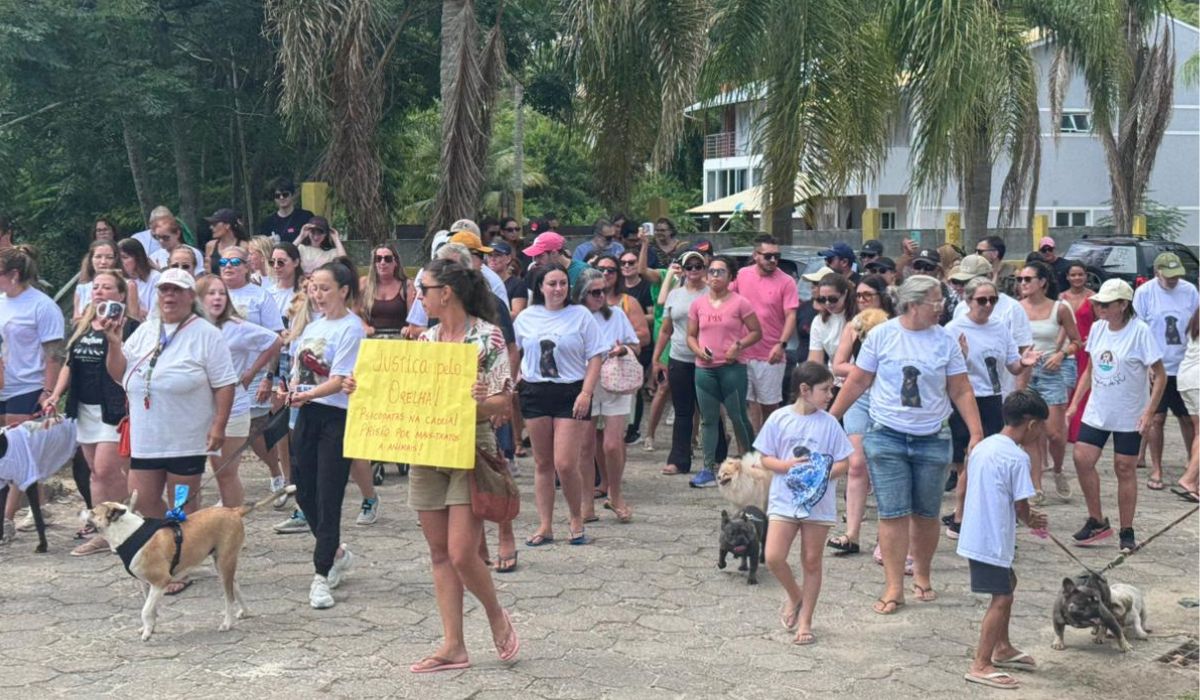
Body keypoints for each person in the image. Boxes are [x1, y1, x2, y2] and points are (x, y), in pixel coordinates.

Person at [385, 258, 517, 671]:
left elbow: (503, 404)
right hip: (427, 448)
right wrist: (366, 387)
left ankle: (496, 614)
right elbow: (405, 397)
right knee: (439, 553)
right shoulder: (425, 343)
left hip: (469, 448)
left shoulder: (488, 337)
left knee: (462, 553)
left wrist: (481, 400)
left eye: (423, 289)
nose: (417, 296)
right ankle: (453, 645)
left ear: (447, 293)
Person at [829, 275, 982, 615]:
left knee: (926, 513)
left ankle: (923, 574)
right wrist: (830, 420)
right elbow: (858, 381)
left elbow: (960, 389)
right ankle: (894, 585)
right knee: (893, 512)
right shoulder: (882, 336)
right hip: (886, 436)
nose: (941, 307)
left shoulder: (945, 341)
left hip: (933, 437)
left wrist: (975, 433)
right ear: (913, 304)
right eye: (936, 301)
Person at [104, 268, 236, 594]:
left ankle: (176, 565)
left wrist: (219, 425)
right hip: (147, 437)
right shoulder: (147, 330)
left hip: (186, 438)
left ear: (191, 297)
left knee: (181, 506)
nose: (169, 297)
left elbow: (225, 384)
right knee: (143, 499)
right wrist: (113, 345)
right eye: (164, 290)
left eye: (177, 291)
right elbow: (120, 374)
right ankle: (172, 550)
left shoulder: (206, 333)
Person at [280, 259, 364, 608]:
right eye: (314, 287)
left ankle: (320, 575)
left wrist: (306, 394)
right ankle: (337, 552)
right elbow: (299, 369)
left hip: (336, 418)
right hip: (306, 416)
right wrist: (289, 391)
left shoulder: (352, 327)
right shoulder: (312, 326)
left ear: (344, 291)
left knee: (329, 496)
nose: (317, 295)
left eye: (325, 288)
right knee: (304, 491)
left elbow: (340, 379)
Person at [958, 390, 1050, 691]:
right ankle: (981, 663)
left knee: (1008, 583)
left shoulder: (983, 446)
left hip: (977, 531)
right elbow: (1022, 506)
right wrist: (1033, 520)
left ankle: (1003, 647)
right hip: (992, 538)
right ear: (1032, 425)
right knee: (1002, 597)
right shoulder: (1018, 457)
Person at [1066, 279, 1166, 553]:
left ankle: (1126, 530)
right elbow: (1090, 370)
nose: (1100, 308)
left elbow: (1160, 376)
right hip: (1099, 409)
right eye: (1098, 303)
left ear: (1123, 305)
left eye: (1106, 304)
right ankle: (1096, 519)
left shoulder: (1140, 332)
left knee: (1124, 467)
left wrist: (1149, 412)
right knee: (1082, 458)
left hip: (1129, 412)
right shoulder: (1098, 329)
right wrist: (1075, 404)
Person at [757, 362, 853, 646]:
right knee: (774, 556)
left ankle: (807, 619)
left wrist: (822, 473)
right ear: (804, 390)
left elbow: (844, 461)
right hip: (784, 500)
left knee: (812, 560)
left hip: (818, 505)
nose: (830, 395)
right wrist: (788, 466)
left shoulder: (830, 423)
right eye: (825, 389)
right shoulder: (779, 418)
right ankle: (795, 596)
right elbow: (764, 457)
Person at [44, 271, 139, 555]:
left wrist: (115, 340)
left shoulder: (131, 326)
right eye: (96, 286)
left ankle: (127, 521)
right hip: (84, 408)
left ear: (121, 294)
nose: (99, 291)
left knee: (110, 469)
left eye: (107, 287)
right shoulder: (85, 322)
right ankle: (105, 531)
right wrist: (56, 394)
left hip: (114, 408)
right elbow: (70, 364)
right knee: (96, 474)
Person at [514, 264, 605, 547]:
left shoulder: (580, 316)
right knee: (542, 463)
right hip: (535, 391)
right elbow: (514, 352)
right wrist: (509, 383)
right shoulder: (526, 317)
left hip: (571, 392)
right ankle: (545, 525)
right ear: (540, 287)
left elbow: (595, 356)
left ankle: (576, 518)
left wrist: (586, 393)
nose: (558, 289)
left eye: (563, 283)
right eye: (552, 283)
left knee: (565, 463)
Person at [942, 278, 1041, 538]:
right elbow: (946, 370)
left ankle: (971, 514)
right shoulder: (954, 328)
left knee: (986, 457)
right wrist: (960, 357)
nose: (987, 305)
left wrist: (1024, 361)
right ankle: (961, 515)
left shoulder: (999, 328)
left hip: (992, 397)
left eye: (993, 300)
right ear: (968, 301)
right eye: (982, 300)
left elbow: (1012, 365)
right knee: (969, 458)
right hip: (966, 398)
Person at [196, 275, 281, 508]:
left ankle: (231, 522)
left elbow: (275, 341)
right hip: (198, 407)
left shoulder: (237, 327)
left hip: (232, 406)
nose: (217, 298)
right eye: (211, 293)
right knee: (195, 473)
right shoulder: (192, 327)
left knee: (225, 471)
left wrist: (252, 371)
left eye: (221, 293)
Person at [0, 246, 66, 536]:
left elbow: (54, 354)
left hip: (29, 384)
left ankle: (6, 518)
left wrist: (48, 390)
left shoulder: (41, 306)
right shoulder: (1, 301)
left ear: (14, 275)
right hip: (4, 382)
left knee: (15, 453)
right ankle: (39, 505)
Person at [828, 274, 895, 555]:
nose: (863, 300)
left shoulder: (894, 327)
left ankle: (886, 537)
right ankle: (852, 534)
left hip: (887, 399)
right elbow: (838, 365)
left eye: (869, 295)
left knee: (883, 467)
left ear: (882, 297)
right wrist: (864, 371)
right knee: (856, 464)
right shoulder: (853, 327)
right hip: (858, 396)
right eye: (860, 296)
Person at [686, 255, 762, 488]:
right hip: (705, 370)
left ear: (731, 277)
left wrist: (738, 345)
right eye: (711, 271)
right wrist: (698, 351)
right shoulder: (698, 304)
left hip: (731, 368)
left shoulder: (740, 303)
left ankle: (752, 464)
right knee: (708, 420)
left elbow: (756, 332)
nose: (714, 276)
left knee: (737, 416)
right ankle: (708, 468)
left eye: (720, 272)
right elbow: (690, 335)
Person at [574, 269, 639, 524]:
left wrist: (622, 349)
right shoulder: (574, 318)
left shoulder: (617, 314)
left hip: (616, 380)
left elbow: (635, 344)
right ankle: (586, 501)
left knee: (612, 444)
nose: (602, 296)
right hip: (585, 384)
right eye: (595, 292)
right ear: (582, 294)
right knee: (586, 445)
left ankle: (616, 493)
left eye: (604, 290)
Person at [1133, 252, 1199, 491]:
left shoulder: (1190, 291)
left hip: (1184, 364)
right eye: (1168, 276)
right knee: (1157, 418)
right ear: (1157, 272)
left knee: (1188, 418)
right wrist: (1146, 362)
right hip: (1157, 364)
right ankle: (1156, 467)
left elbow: (1195, 325)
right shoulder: (1145, 293)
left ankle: (1192, 466)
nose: (1172, 280)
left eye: (1176, 276)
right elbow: (1138, 328)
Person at [1018, 261, 1082, 503]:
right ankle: (1035, 485)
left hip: (1050, 371)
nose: (1023, 283)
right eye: (1020, 280)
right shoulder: (1016, 308)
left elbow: (1077, 341)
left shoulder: (1060, 308)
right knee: (1030, 431)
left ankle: (1057, 469)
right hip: (1025, 372)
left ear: (1042, 282)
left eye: (1028, 279)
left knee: (1054, 433)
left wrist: (1062, 354)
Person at [731, 235, 799, 432]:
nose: (773, 261)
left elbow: (791, 316)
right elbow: (726, 298)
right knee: (750, 403)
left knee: (770, 405)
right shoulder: (742, 274)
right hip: (743, 351)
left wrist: (782, 344)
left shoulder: (786, 281)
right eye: (768, 256)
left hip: (770, 353)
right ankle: (754, 449)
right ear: (756, 255)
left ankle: (771, 446)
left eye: (776, 256)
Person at [653, 251, 708, 475]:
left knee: (709, 411)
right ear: (683, 270)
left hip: (706, 359)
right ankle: (679, 459)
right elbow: (666, 329)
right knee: (682, 411)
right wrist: (657, 358)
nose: (693, 271)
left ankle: (717, 458)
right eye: (689, 267)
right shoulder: (675, 296)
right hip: (679, 356)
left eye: (698, 266)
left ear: (704, 268)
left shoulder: (712, 293)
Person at [617, 249, 655, 447]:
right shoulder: (616, 287)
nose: (627, 266)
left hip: (638, 342)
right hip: (618, 344)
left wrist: (629, 319)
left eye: (631, 263)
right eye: (623, 263)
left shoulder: (645, 287)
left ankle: (634, 429)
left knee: (634, 386)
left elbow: (652, 315)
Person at [1061, 261, 1095, 446]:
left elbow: (1100, 321)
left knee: (1084, 388)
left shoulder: (1093, 298)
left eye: (1080, 274)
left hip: (1086, 348)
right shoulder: (1060, 298)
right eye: (1073, 275)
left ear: (1086, 276)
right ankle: (1063, 428)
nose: (1077, 278)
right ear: (1067, 277)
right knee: (1065, 387)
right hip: (1065, 348)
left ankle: (1080, 429)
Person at [75, 240, 139, 321]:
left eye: (109, 257)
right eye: (98, 256)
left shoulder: (128, 285)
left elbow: (133, 318)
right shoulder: (82, 288)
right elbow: (76, 319)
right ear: (91, 259)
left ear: (116, 259)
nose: (103, 262)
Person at [807, 274, 855, 378]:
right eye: (822, 299)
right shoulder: (819, 321)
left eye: (833, 299)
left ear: (845, 293)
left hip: (858, 378)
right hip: (834, 379)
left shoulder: (858, 318)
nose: (828, 303)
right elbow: (815, 360)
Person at [1174, 310, 1199, 501]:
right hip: (1197, 378)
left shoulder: (1196, 315)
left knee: (1199, 432)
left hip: (1186, 377)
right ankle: (1189, 479)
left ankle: (1194, 480)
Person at [359, 243, 408, 338]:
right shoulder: (364, 284)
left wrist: (408, 328)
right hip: (371, 338)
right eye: (378, 258)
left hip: (399, 339)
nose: (382, 262)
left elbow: (414, 318)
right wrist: (364, 327)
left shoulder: (407, 285)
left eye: (387, 259)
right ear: (374, 263)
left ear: (395, 262)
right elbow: (354, 313)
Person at [522, 231, 588, 287]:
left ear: (554, 253)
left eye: (540, 256)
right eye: (533, 256)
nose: (535, 261)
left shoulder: (583, 271)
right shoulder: (538, 271)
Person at [258, 177, 313, 243]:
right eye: (277, 196)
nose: (281, 198)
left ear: (292, 195)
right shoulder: (267, 223)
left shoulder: (306, 216)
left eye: (285, 194)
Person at [118, 238, 159, 320]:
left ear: (138, 258)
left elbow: (155, 311)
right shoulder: (118, 279)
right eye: (118, 258)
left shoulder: (155, 277)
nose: (121, 262)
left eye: (125, 257)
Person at [203, 209, 252, 275]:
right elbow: (207, 272)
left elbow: (250, 272)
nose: (211, 227)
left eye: (215, 224)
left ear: (227, 225)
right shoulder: (210, 246)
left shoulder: (245, 246)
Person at [486, 241, 528, 317]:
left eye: (497, 255)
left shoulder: (517, 285)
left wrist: (487, 313)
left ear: (508, 258)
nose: (492, 259)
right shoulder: (482, 281)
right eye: (489, 255)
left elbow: (516, 314)